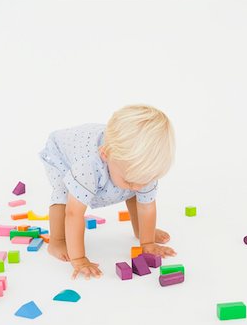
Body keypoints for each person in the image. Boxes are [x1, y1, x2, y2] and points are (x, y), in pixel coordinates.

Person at [39, 104, 177, 280]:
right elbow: (73, 214)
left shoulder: (144, 167)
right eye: (129, 180)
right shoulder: (88, 168)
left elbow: (146, 205)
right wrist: (79, 259)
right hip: (62, 155)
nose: (137, 186)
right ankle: (57, 240)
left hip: (109, 155)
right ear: (106, 155)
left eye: (143, 181)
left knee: (134, 192)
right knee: (64, 195)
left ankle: (141, 232)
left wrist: (147, 242)